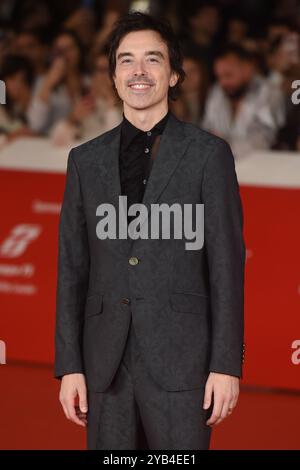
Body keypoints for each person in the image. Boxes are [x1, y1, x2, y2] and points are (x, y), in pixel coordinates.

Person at [54, 11, 246, 450]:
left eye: (153, 59)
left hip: (185, 361)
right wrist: (70, 366)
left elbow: (226, 267)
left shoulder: (208, 155)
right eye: (126, 60)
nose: (138, 71)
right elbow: (71, 270)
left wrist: (225, 364)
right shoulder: (84, 161)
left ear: (175, 74)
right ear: (114, 76)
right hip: (105, 365)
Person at [202, 44, 285, 157]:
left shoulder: (270, 93)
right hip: (218, 167)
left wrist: (220, 145)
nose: (223, 82)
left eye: (228, 75)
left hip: (260, 168)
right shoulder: (217, 91)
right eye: (219, 77)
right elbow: (206, 131)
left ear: (248, 69)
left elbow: (262, 142)